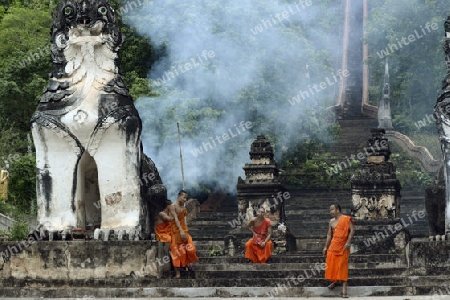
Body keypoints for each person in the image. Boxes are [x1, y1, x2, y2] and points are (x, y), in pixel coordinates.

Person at [323, 203, 355, 298]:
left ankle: (344, 289)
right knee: (332, 264)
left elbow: (352, 230)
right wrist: (325, 247)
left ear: (338, 210)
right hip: (333, 246)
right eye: (330, 210)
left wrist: (348, 242)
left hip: (343, 245)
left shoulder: (346, 218)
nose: (331, 212)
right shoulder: (331, 221)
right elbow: (329, 235)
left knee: (342, 266)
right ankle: (335, 281)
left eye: (332, 209)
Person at [169, 190, 199, 278]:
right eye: (184, 197)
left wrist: (184, 230)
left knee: (191, 249)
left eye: (186, 198)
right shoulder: (172, 207)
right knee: (176, 253)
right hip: (175, 232)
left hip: (184, 231)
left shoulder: (183, 208)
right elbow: (176, 220)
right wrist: (181, 231)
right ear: (179, 196)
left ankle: (187, 264)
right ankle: (178, 273)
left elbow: (183, 220)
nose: (185, 200)